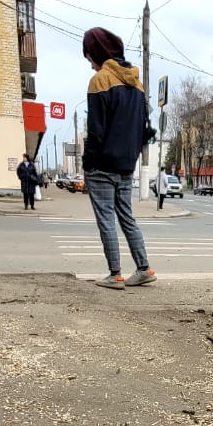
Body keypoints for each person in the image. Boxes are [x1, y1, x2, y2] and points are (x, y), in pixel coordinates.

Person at [81, 27, 156, 289]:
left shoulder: (101, 81)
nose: (91, 65)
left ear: (97, 53)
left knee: (106, 219)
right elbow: (144, 129)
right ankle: (144, 268)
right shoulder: (137, 84)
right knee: (127, 217)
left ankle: (115, 274)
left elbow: (96, 130)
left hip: (102, 165)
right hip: (126, 165)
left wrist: (87, 163)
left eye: (90, 58)